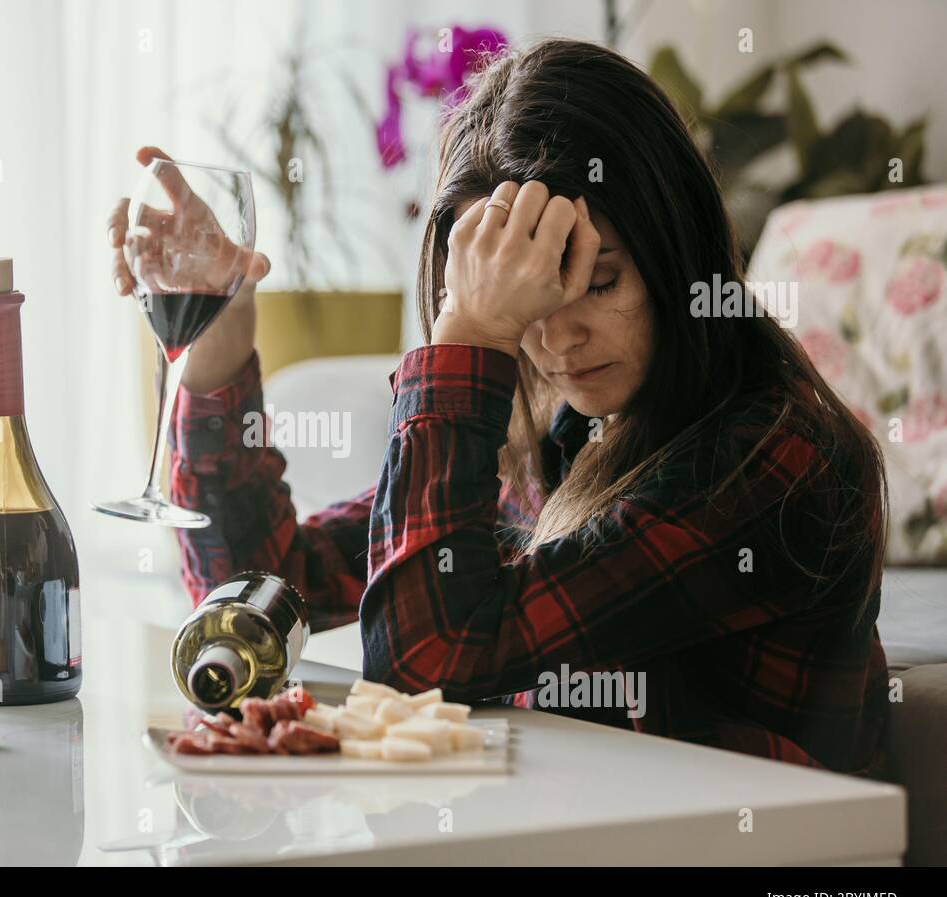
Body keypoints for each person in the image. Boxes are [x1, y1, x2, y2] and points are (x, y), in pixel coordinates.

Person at [106, 39, 889, 776]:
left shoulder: (771, 458)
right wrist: (220, 343)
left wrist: (472, 335)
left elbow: (420, 661)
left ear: (676, 249)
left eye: (600, 281)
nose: (555, 340)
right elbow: (268, 584)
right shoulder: (568, 432)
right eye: (528, 298)